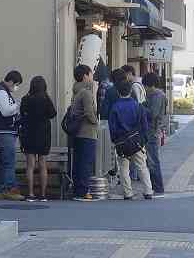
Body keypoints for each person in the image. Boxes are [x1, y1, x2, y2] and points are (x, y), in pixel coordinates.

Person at [106, 66, 155, 201]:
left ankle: (128, 193)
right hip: (137, 141)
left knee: (123, 168)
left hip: (121, 142)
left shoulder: (115, 107)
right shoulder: (138, 106)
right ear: (130, 91)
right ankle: (148, 191)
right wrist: (143, 140)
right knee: (142, 166)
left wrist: (115, 141)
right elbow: (144, 125)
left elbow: (112, 127)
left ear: (118, 92)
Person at [19, 75, 57, 202]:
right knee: (42, 165)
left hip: (29, 134)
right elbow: (53, 114)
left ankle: (30, 194)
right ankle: (43, 194)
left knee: (30, 165)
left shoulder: (26, 99)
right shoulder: (46, 99)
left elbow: (22, 113)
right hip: (43, 134)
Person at [68, 64, 100, 200]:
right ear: (85, 76)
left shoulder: (76, 92)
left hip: (77, 133)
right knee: (86, 163)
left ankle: (78, 190)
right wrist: (96, 122)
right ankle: (83, 191)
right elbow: (89, 112)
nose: (92, 77)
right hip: (87, 132)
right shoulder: (86, 93)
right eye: (91, 74)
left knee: (79, 162)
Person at [0, 69, 23, 200]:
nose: (16, 88)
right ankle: (9, 189)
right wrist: (17, 105)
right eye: (16, 84)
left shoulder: (3, 91)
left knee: (4, 162)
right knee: (9, 161)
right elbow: (5, 111)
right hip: (5, 132)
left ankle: (1, 189)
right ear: (10, 81)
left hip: (5, 131)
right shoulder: (1, 92)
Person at [143, 71, 171, 197]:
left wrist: (141, 108)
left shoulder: (157, 96)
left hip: (152, 131)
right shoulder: (156, 95)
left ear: (151, 85)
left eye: (146, 86)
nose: (145, 89)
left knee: (153, 161)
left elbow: (153, 113)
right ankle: (155, 188)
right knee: (151, 160)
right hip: (152, 131)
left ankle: (158, 188)